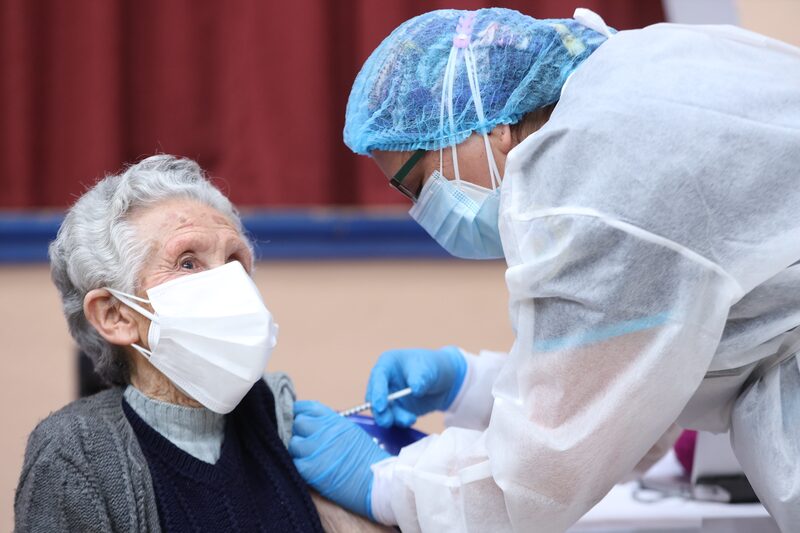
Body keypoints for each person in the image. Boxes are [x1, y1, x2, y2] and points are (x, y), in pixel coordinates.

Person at [288, 7, 800, 532]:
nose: (425, 211)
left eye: (420, 184)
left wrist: (385, 482)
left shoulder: (588, 188)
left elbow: (536, 482)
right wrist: (469, 383)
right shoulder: (634, 79)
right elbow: (634, 389)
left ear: (491, 123)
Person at [14, 155, 390, 533]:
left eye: (235, 260)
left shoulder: (279, 413)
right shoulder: (74, 457)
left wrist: (391, 487)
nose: (228, 283)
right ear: (116, 315)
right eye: (188, 263)